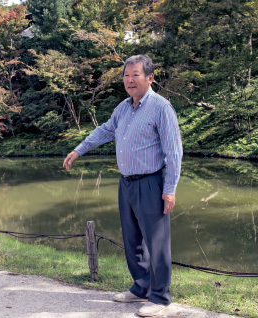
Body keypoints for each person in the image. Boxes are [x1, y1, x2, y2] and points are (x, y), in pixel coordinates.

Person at [63, 54, 182, 317]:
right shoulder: (123, 107)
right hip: (126, 183)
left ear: (150, 78)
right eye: (126, 75)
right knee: (132, 241)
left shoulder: (161, 108)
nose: (129, 80)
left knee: (157, 242)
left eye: (135, 75)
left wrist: (170, 188)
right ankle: (140, 287)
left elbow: (174, 152)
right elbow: (105, 130)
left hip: (152, 182)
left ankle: (160, 297)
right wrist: (79, 150)